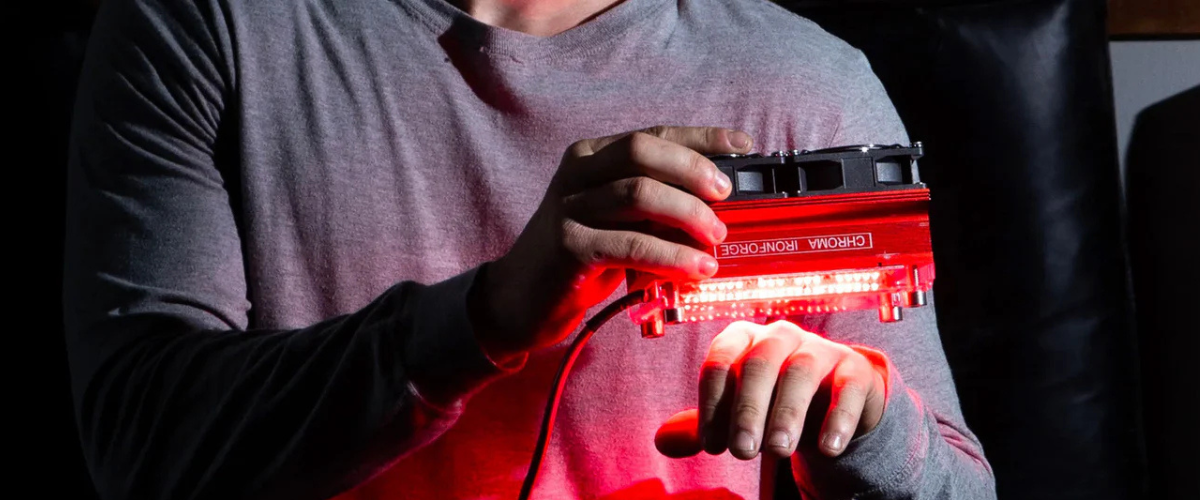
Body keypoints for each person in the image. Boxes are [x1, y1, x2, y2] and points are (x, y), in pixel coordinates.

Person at [63, 0, 996, 498]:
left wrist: (859, 427)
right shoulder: (208, 27)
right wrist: (487, 316)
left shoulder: (806, 83)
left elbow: (952, 486)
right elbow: (143, 453)